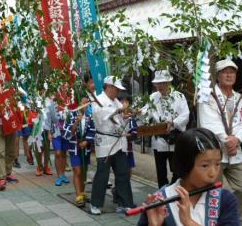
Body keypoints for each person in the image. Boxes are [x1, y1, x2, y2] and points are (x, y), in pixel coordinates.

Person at [138, 128, 239, 225]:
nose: (213, 173)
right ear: (184, 165)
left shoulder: (225, 200)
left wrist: (188, 221)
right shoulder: (159, 201)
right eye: (205, 166)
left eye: (217, 164)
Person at [198, 59, 242, 214]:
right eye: (225, 72)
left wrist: (237, 139)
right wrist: (227, 140)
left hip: (236, 152)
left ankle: (233, 218)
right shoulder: (207, 96)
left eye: (232, 72)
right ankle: (213, 220)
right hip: (215, 154)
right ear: (217, 76)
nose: (229, 75)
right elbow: (209, 123)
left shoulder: (239, 98)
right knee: (213, 193)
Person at [89, 75, 135, 215]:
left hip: (119, 142)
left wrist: (126, 115)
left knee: (123, 173)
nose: (117, 92)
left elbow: (121, 118)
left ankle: (125, 203)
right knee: (102, 174)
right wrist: (116, 111)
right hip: (105, 141)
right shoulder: (98, 100)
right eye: (116, 89)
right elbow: (98, 115)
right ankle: (95, 204)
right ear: (109, 87)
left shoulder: (116, 102)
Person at [142, 70, 189, 188]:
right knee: (161, 170)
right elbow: (145, 112)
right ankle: (162, 194)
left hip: (175, 137)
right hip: (159, 139)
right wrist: (139, 113)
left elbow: (185, 115)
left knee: (177, 169)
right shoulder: (153, 97)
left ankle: (173, 191)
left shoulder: (179, 96)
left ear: (169, 83)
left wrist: (173, 123)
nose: (160, 86)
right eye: (158, 83)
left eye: (163, 83)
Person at [63, 97, 95, 207]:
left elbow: (92, 131)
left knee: (84, 171)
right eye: (83, 102)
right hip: (74, 147)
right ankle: (78, 196)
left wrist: (86, 141)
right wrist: (76, 122)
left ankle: (82, 192)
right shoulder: (71, 115)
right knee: (77, 171)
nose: (85, 105)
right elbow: (67, 132)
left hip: (85, 148)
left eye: (87, 103)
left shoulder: (90, 116)